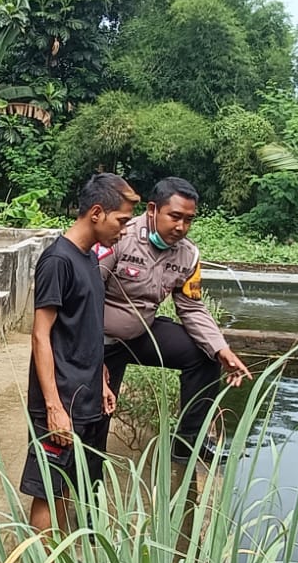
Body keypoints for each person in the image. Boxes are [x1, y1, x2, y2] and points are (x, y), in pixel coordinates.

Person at [98, 177, 253, 463]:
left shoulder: (188, 254)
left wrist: (221, 348)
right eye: (175, 217)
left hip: (140, 331)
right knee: (98, 412)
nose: (181, 227)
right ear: (152, 210)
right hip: (100, 338)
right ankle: (88, 469)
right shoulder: (119, 237)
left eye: (189, 220)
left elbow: (191, 306)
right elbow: (87, 297)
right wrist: (93, 361)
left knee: (204, 355)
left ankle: (186, 444)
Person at [20, 173, 139, 534]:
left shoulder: (89, 259)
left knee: (67, 485)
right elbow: (41, 336)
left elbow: (87, 328)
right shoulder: (59, 261)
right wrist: (54, 408)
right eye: (121, 221)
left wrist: (101, 377)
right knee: (48, 490)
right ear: (97, 213)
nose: (124, 230)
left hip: (85, 397)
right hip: (60, 401)